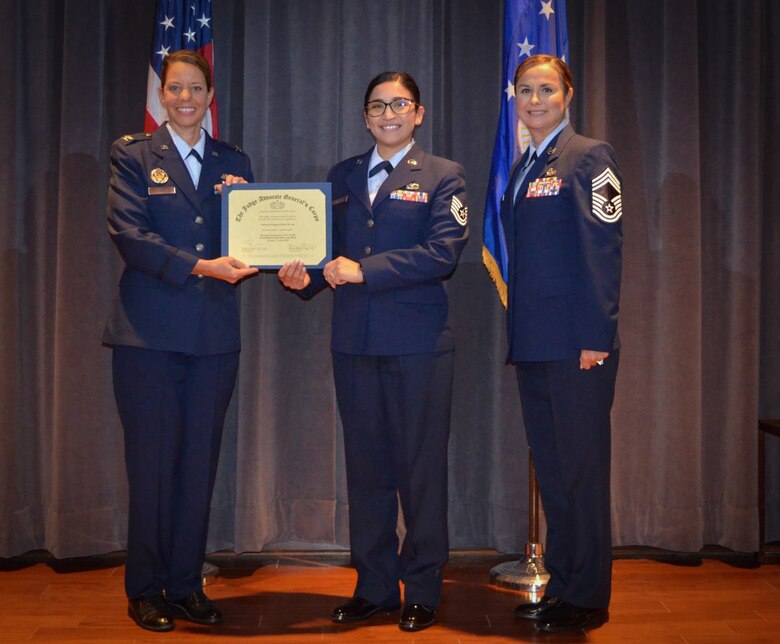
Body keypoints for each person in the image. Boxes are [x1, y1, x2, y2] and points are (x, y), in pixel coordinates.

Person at [278, 71, 469, 632]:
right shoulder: (340, 176)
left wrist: (365, 270)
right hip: (355, 345)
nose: (388, 114)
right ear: (365, 116)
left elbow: (442, 254)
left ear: (419, 113)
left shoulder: (444, 176)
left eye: (399, 104)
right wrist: (301, 277)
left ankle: (425, 589)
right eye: (377, 106)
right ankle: (376, 586)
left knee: (420, 473)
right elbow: (324, 254)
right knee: (367, 473)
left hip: (418, 348)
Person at [103, 49, 257, 632]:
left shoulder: (233, 160)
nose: (186, 98)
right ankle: (144, 587)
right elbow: (130, 236)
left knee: (199, 466)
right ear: (161, 96)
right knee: (151, 467)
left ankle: (187, 585)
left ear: (210, 96)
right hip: (147, 337)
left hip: (214, 338)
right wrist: (202, 268)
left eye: (196, 88)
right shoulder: (134, 156)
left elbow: (254, 232)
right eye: (176, 89)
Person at [502, 54, 622, 633]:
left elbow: (602, 251)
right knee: (554, 474)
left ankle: (589, 596)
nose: (534, 100)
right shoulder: (527, 162)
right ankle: (565, 585)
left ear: (567, 95)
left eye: (546, 89)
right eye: (525, 90)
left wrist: (595, 336)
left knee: (581, 474)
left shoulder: (588, 156)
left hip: (578, 347)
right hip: (535, 343)